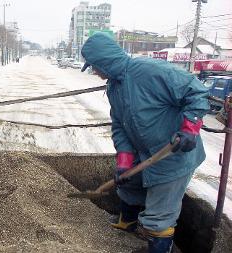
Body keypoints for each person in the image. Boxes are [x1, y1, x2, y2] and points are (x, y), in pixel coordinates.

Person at [80, 33, 209, 253]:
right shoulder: (114, 87)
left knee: (159, 214)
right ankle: (127, 222)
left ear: (105, 62)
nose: (94, 71)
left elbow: (195, 91)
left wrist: (189, 129)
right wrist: (124, 162)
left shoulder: (151, 71)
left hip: (174, 155)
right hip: (145, 152)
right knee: (127, 181)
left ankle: (159, 246)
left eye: (95, 66)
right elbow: (120, 127)